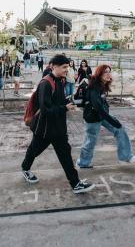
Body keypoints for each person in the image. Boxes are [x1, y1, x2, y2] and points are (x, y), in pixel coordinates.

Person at [21, 54, 95, 194]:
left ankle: (76, 183)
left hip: (59, 128)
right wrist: (64, 108)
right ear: (53, 66)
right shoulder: (45, 83)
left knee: (65, 155)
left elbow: (58, 102)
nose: (67, 70)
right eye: (64, 67)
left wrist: (69, 102)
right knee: (34, 151)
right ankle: (25, 168)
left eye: (67, 67)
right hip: (45, 129)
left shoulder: (60, 81)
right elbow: (46, 109)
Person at [76, 65, 135, 168]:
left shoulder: (102, 85)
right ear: (99, 74)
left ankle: (125, 156)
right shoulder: (94, 88)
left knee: (120, 129)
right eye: (106, 72)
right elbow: (98, 108)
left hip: (102, 115)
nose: (109, 74)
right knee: (90, 141)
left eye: (109, 71)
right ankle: (83, 163)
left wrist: (112, 119)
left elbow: (102, 104)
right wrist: (113, 121)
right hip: (93, 118)